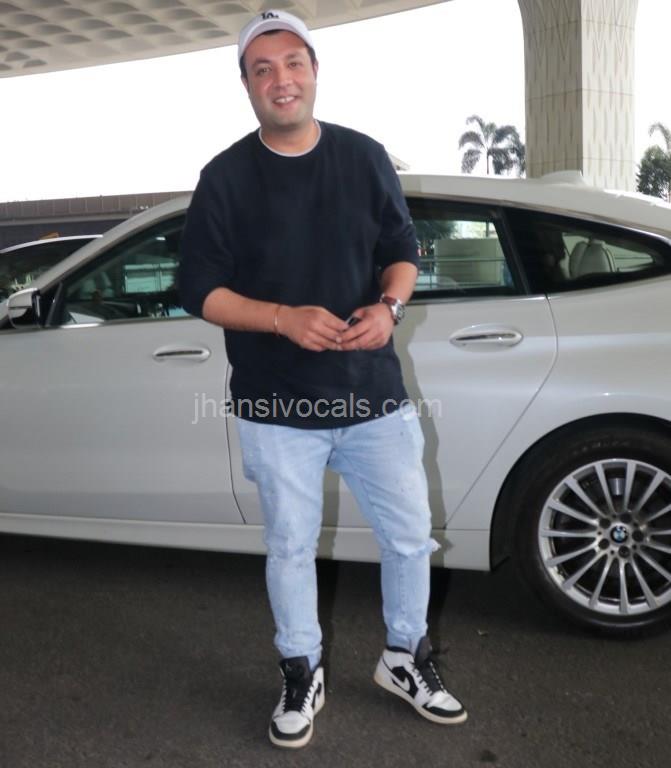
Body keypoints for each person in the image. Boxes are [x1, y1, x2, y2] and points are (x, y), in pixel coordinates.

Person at [178, 10, 467, 748]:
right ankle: (300, 669)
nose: (281, 80)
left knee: (409, 539)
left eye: (292, 63)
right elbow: (199, 291)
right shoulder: (224, 178)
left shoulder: (364, 157)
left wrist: (389, 308)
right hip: (276, 404)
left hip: (373, 394)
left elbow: (401, 249)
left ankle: (405, 657)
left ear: (313, 72)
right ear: (246, 84)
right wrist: (281, 318)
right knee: (290, 547)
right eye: (262, 69)